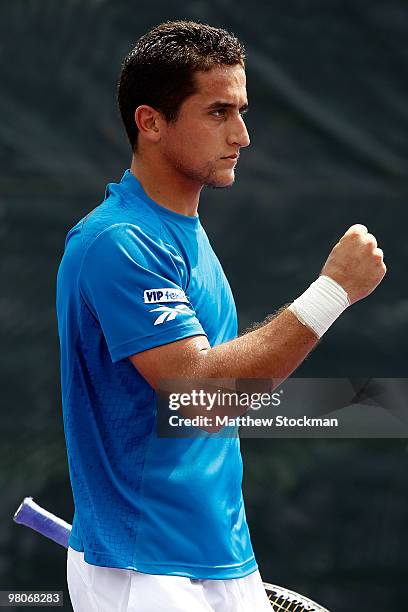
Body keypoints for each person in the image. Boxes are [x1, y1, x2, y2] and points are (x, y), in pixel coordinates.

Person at [56, 20, 386, 612]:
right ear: (151, 122)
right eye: (217, 112)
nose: (242, 134)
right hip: (145, 566)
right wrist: (331, 292)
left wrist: (369, 404)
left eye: (242, 110)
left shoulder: (179, 233)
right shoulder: (118, 241)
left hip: (219, 556)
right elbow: (197, 395)